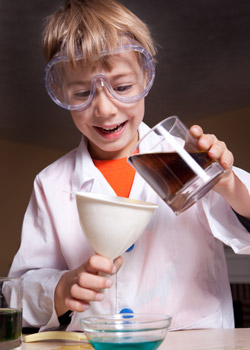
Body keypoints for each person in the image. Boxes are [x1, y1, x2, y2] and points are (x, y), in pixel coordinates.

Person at [8, 0, 250, 332]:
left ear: (146, 77)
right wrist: (61, 289)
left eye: (122, 87)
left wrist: (227, 184)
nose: (105, 109)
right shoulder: (51, 183)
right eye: (82, 93)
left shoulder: (188, 159)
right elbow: (16, 292)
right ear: (60, 91)